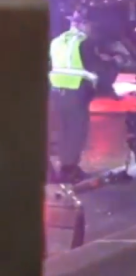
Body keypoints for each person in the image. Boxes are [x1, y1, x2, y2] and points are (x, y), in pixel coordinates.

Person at [48, 9, 114, 184]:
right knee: (76, 132)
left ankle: (65, 166)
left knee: (64, 131)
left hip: (57, 91)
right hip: (75, 92)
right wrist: (112, 64)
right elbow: (95, 67)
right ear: (83, 24)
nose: (92, 29)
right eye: (91, 25)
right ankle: (69, 170)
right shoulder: (84, 43)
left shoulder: (57, 41)